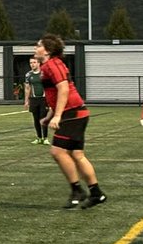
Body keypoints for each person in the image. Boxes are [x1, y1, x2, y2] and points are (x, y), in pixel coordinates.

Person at [36, 34, 106, 209]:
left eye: (38, 45)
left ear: (48, 50)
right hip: (76, 113)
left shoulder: (53, 64)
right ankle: (96, 193)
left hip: (72, 114)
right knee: (76, 155)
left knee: (57, 152)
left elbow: (64, 89)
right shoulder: (49, 65)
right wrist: (49, 116)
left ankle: (77, 190)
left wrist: (58, 116)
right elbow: (56, 94)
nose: (34, 48)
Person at [23, 56, 48, 145]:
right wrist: (26, 101)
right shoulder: (28, 75)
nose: (32, 64)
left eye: (34, 62)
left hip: (44, 99)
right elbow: (27, 88)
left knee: (43, 118)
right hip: (33, 100)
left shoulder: (44, 73)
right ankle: (38, 137)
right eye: (31, 63)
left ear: (39, 63)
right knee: (36, 119)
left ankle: (45, 138)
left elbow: (49, 87)